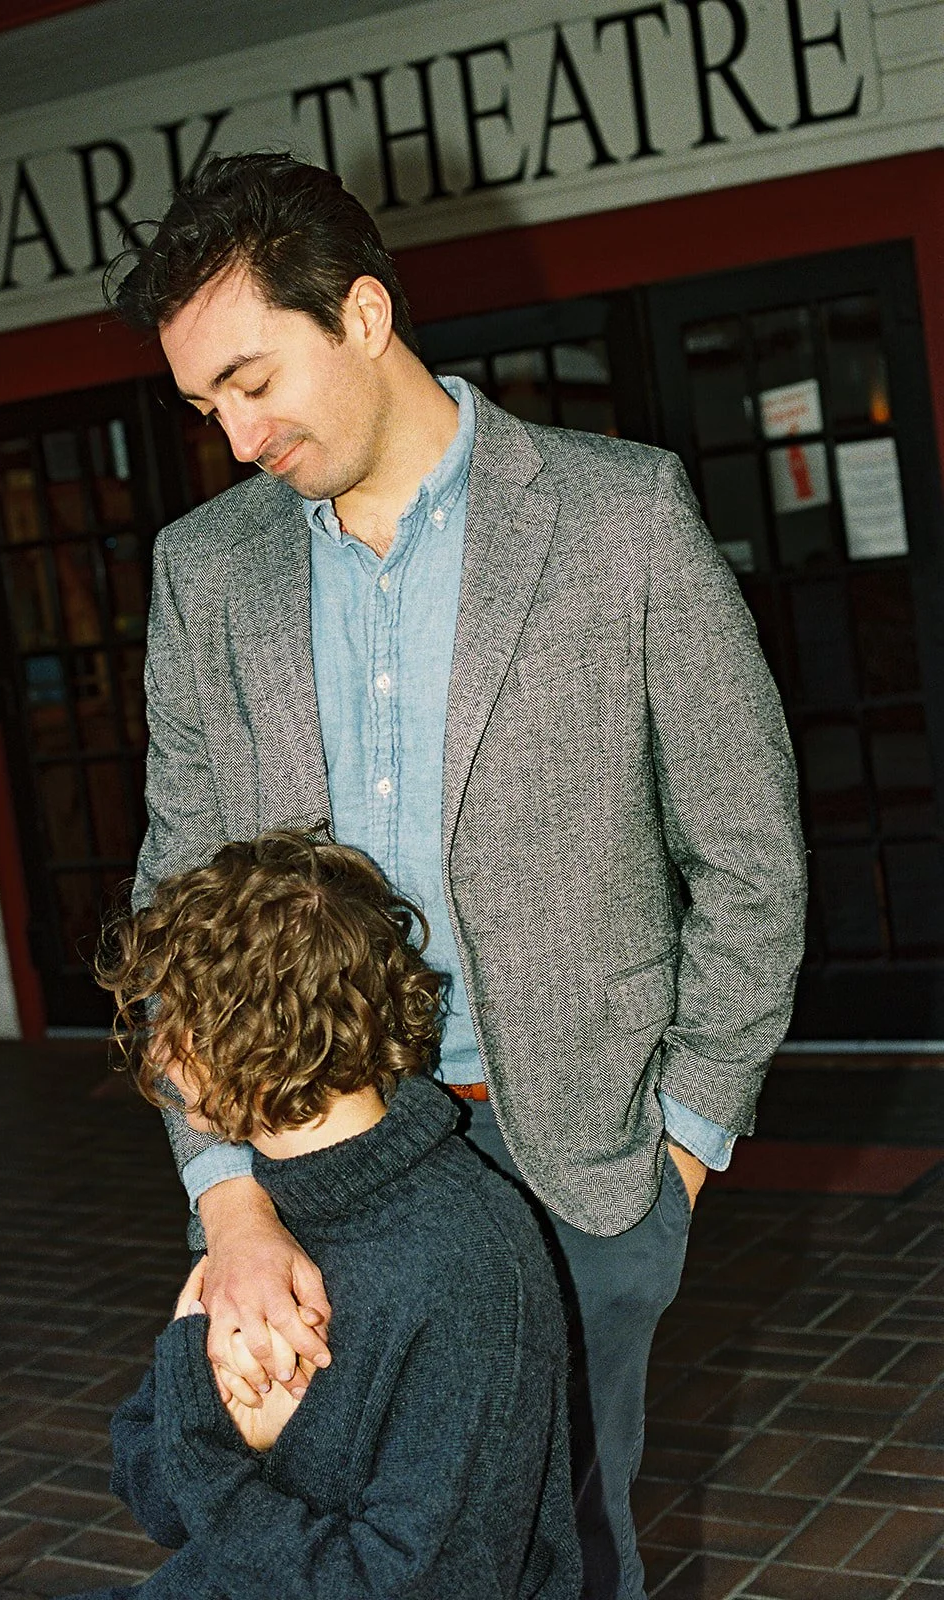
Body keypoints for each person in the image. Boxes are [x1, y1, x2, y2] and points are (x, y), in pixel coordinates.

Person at [110, 151, 807, 1600]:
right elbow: (174, 901)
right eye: (201, 407)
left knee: (564, 1544)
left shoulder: (620, 518)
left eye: (250, 381)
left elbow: (745, 853)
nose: (233, 438)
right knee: (336, 1543)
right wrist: (224, 1195)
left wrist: (677, 1142)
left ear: (361, 313)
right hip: (309, 1173)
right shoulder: (206, 572)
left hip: (576, 1160)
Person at [69, 828, 580, 1600]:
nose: (158, 1045)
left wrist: (215, 1453)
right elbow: (155, 1495)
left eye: (167, 1013)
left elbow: (422, 1583)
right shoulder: (261, 1231)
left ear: (238, 1036)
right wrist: (225, 1428)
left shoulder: (463, 1267)